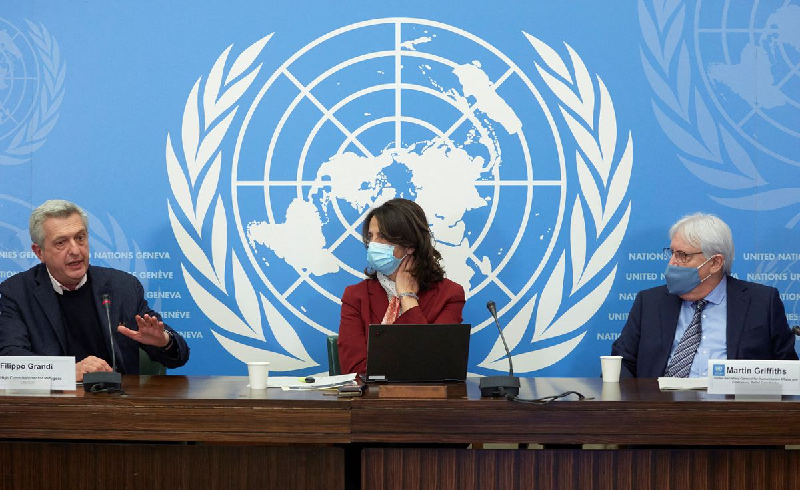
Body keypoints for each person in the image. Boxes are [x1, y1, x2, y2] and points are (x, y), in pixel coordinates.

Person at [0, 200, 190, 381]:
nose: (75, 250)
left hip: (118, 405)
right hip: (52, 407)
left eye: (80, 238)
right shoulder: (17, 292)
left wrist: (164, 341)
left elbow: (178, 356)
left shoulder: (122, 287)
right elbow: (11, 358)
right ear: (39, 252)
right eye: (61, 243)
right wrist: (67, 372)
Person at [612, 213, 797, 378]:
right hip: (662, 410)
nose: (672, 263)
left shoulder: (762, 302)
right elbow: (621, 364)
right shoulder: (650, 302)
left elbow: (788, 371)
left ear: (715, 263)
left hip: (734, 411)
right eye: (672, 253)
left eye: (682, 255)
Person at [337, 198, 465, 374]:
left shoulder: (449, 295)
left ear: (410, 245)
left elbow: (435, 365)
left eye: (382, 237)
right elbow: (354, 370)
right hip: (371, 400)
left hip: (428, 400)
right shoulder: (356, 296)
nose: (373, 245)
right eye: (370, 237)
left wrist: (407, 297)